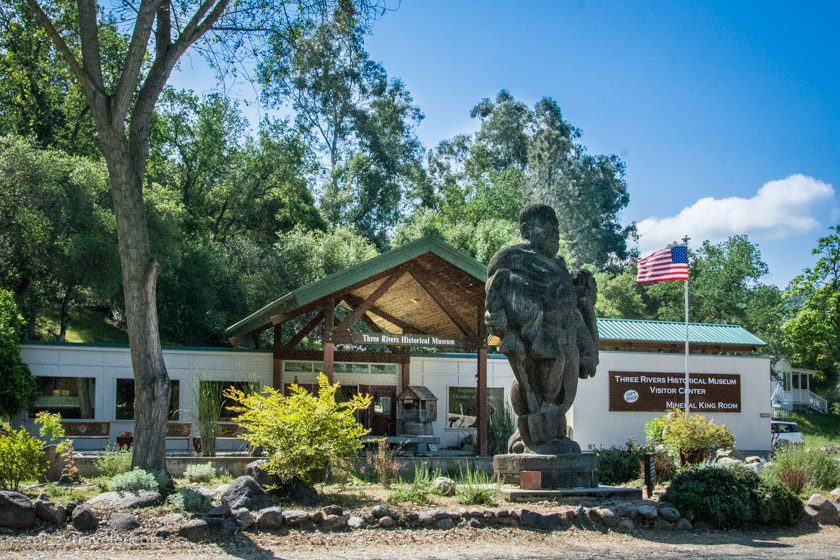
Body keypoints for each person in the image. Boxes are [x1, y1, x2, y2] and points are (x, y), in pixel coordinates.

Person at [485, 204, 597, 454]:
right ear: (527, 229)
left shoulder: (559, 265)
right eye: (546, 226)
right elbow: (494, 291)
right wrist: (497, 316)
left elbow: (576, 306)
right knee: (544, 391)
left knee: (562, 397)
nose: (554, 232)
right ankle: (532, 436)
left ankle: (550, 433)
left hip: (568, 337)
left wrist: (585, 298)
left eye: (556, 227)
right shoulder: (511, 258)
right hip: (539, 342)